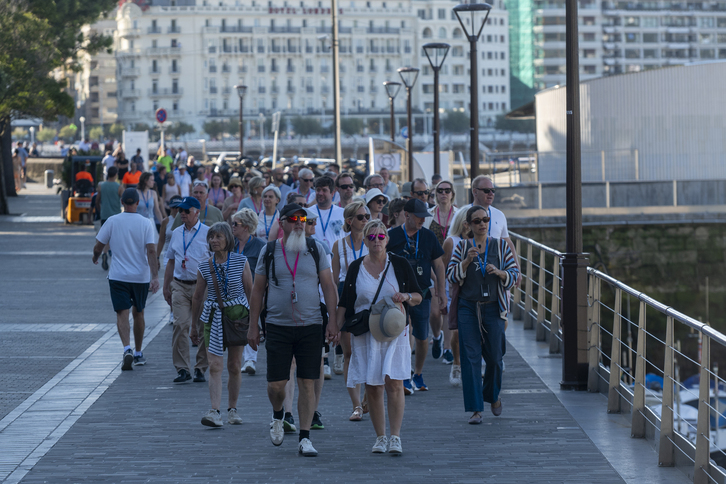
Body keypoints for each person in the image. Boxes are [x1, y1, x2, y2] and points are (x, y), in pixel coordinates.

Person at [247, 203, 339, 457]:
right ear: (282, 222)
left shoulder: (315, 249)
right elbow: (257, 291)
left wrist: (333, 321)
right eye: (293, 219)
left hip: (311, 325)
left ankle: (305, 437)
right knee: (277, 385)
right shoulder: (269, 251)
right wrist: (253, 325)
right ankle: (278, 414)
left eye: (303, 219)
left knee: (307, 381)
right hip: (278, 326)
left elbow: (329, 286)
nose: (299, 222)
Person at [333, 219, 422, 454]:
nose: (376, 241)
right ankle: (380, 437)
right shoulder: (355, 267)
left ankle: (395, 436)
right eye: (371, 237)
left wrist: (405, 296)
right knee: (373, 386)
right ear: (364, 239)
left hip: (394, 332)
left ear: (387, 239)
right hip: (366, 332)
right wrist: (335, 327)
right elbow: (345, 303)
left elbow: (418, 295)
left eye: (380, 237)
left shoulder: (400, 264)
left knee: (394, 382)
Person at [446, 205, 519, 423]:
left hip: (494, 306)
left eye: (485, 220)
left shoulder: (500, 246)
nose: (482, 224)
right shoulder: (462, 247)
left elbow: (515, 274)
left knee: (496, 358)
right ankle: (476, 409)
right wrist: (467, 261)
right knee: (470, 358)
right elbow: (451, 275)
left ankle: (492, 394)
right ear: (468, 224)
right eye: (476, 221)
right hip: (468, 307)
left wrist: (500, 273)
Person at [191, 222, 253, 427]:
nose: (214, 241)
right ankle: (214, 411)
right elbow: (198, 297)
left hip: (237, 317)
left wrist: (256, 322)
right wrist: (194, 325)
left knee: (234, 365)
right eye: (211, 237)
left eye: (218, 236)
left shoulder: (241, 261)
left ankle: (232, 409)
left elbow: (251, 292)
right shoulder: (204, 266)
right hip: (213, 317)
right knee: (215, 365)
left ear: (228, 239)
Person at [92, 188, 159, 369]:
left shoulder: (112, 221)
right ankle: (138, 352)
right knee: (139, 313)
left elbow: (99, 246)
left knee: (122, 313)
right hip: (140, 276)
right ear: (138, 203)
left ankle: (127, 348)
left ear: (122, 202)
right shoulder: (146, 223)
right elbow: (151, 251)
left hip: (118, 276)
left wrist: (95, 257)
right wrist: (155, 276)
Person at [386, 198, 446, 394]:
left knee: (421, 336)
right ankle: (402, 374)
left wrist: (442, 292)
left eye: (424, 217)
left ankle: (418, 374)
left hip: (421, 293)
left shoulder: (428, 236)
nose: (422, 220)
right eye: (419, 217)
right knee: (399, 335)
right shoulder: (391, 236)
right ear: (407, 215)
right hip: (396, 294)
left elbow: (438, 265)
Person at [163, 197, 210, 384]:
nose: (182, 214)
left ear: (197, 212)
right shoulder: (176, 233)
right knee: (180, 324)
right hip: (180, 284)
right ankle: (182, 368)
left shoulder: (208, 233)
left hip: (202, 286)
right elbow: (171, 261)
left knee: (203, 327)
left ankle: (200, 368)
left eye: (186, 211)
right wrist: (166, 286)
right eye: (180, 210)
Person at [330, 200, 370, 420]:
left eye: (367, 217)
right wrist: (335, 314)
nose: (365, 220)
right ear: (349, 220)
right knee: (349, 354)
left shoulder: (372, 241)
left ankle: (367, 397)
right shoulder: (339, 245)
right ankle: (356, 405)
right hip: (346, 296)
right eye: (361, 217)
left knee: (370, 352)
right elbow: (334, 281)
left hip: (367, 299)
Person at [463, 175, 520, 284]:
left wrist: (517, 270)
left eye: (493, 190)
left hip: (498, 273)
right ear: (475, 192)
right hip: (471, 274)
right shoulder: (462, 213)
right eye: (486, 190)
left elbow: (507, 242)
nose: (491, 194)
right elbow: (454, 241)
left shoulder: (499, 215)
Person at [231, 208, 266, 375]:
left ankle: (250, 359)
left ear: (245, 226)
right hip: (232, 292)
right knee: (238, 325)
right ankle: (239, 358)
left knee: (251, 322)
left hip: (252, 291)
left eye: (235, 223)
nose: (232, 226)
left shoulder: (260, 246)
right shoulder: (231, 244)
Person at [428, 180, 459, 365]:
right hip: (433, 268)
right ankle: (437, 335)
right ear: (435, 194)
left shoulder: (459, 214)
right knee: (435, 313)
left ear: (452, 194)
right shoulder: (429, 216)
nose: (444, 193)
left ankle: (447, 348)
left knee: (447, 310)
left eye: (447, 190)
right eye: (440, 190)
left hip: (452, 267)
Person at [441, 208, 469, 386]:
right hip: (453, 293)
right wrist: (441, 294)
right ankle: (457, 364)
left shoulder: (482, 241)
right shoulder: (451, 242)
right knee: (457, 333)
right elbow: (442, 269)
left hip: (474, 293)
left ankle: (473, 366)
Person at [96, 167, 124, 270]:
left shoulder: (101, 186)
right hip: (116, 215)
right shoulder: (119, 187)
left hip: (104, 214)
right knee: (115, 237)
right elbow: (124, 200)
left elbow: (97, 200)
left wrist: (100, 210)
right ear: (116, 174)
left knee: (106, 237)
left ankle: (104, 253)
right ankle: (113, 255)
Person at [311, 176, 346, 248]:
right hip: (314, 257)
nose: (320, 193)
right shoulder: (308, 213)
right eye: (318, 190)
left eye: (324, 190)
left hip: (336, 257)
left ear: (332, 193)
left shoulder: (343, 213)